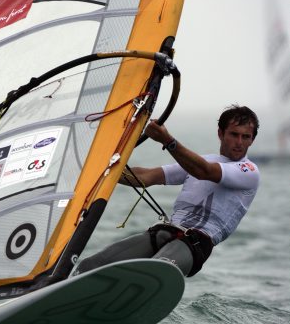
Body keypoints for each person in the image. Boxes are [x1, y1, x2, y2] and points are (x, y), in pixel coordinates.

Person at [75, 104, 260, 277]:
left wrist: (167, 140)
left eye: (246, 137)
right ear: (220, 133)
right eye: (234, 134)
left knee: (152, 273)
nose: (239, 142)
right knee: (89, 266)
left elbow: (204, 171)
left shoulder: (249, 171)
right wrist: (99, 169)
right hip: (165, 231)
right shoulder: (201, 160)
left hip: (195, 244)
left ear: (252, 140)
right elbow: (146, 177)